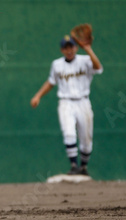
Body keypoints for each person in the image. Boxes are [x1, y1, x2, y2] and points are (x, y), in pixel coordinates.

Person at [30, 35, 103, 176]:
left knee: (86, 139)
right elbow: (51, 82)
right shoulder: (57, 64)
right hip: (66, 102)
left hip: (83, 102)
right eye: (66, 47)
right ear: (62, 50)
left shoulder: (85, 60)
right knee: (69, 133)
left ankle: (83, 167)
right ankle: (74, 165)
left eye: (71, 46)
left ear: (76, 47)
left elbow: (98, 67)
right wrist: (38, 96)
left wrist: (88, 49)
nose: (69, 50)